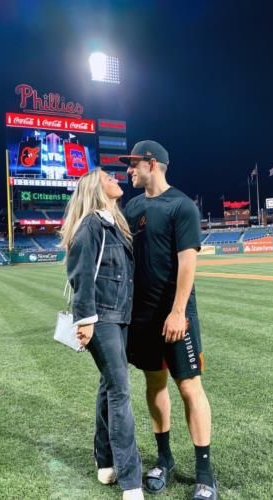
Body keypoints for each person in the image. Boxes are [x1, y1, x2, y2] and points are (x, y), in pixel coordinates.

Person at [119, 141, 218, 500]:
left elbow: (188, 263)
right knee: (154, 384)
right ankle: (165, 459)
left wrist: (178, 312)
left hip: (176, 314)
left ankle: (205, 473)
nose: (129, 170)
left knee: (190, 387)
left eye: (133, 164)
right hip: (142, 315)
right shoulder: (132, 206)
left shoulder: (181, 205)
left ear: (153, 163)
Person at [60, 168, 144, 500]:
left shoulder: (115, 224)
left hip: (119, 317)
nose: (115, 180)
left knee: (108, 386)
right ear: (97, 188)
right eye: (108, 177)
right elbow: (79, 273)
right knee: (121, 391)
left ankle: (105, 461)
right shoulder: (91, 225)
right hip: (102, 320)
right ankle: (131, 480)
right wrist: (86, 321)